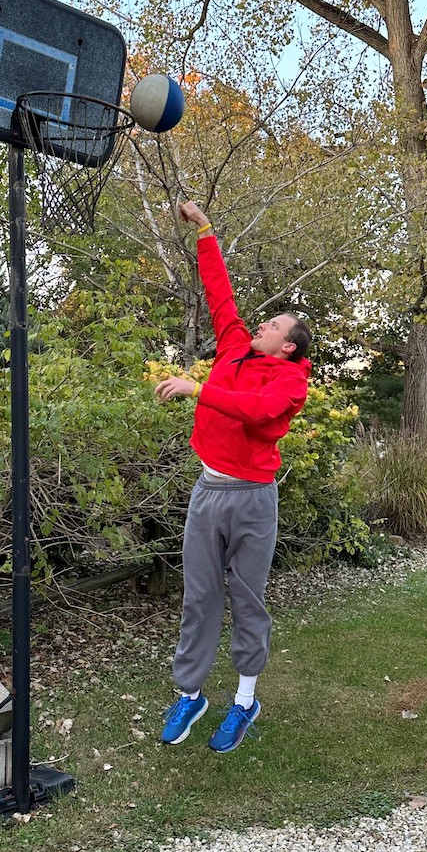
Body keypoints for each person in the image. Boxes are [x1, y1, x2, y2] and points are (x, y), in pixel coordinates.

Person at [154, 201, 312, 753]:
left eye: (272, 326)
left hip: (252, 500)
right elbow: (219, 292)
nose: (260, 326)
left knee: (247, 599)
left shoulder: (291, 385)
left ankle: (245, 699)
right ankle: (190, 693)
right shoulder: (233, 348)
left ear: (287, 346)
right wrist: (205, 230)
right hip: (208, 491)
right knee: (199, 598)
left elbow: (257, 414)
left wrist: (198, 389)